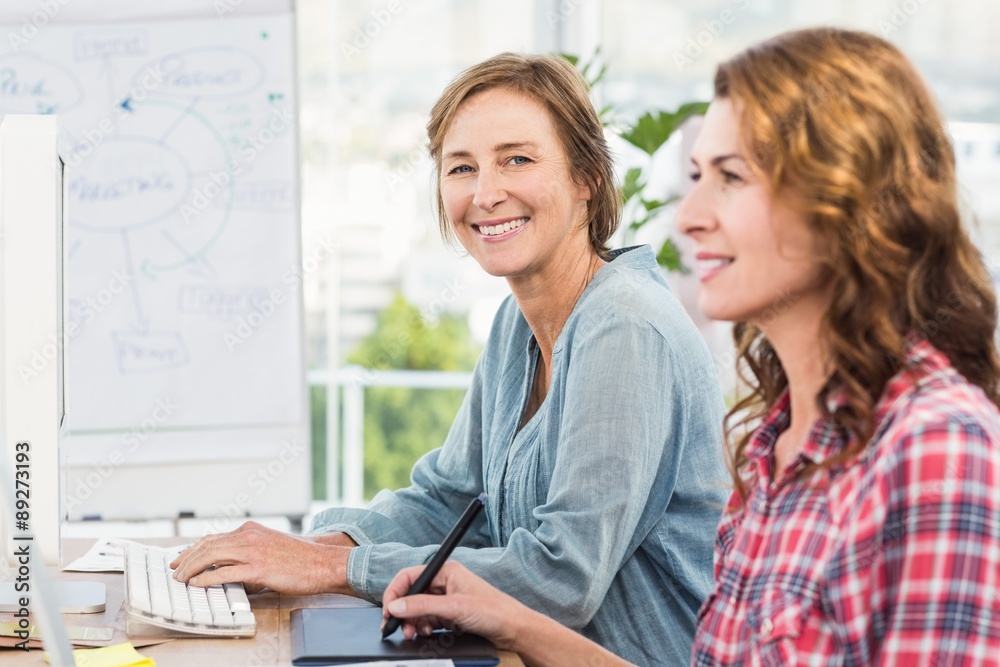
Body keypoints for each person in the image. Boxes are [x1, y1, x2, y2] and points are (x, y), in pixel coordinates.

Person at [377, 28, 1000, 666]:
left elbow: (565, 575)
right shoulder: (776, 446)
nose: (688, 216)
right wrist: (509, 620)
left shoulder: (936, 449)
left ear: (847, 200)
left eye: (730, 177)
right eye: (698, 175)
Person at [171, 52, 728, 665]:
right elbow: (448, 501)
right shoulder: (520, 320)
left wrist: (331, 566)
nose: (486, 193)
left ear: (587, 176)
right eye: (461, 168)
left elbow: (561, 579)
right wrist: (307, 549)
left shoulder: (625, 326)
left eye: (517, 158)